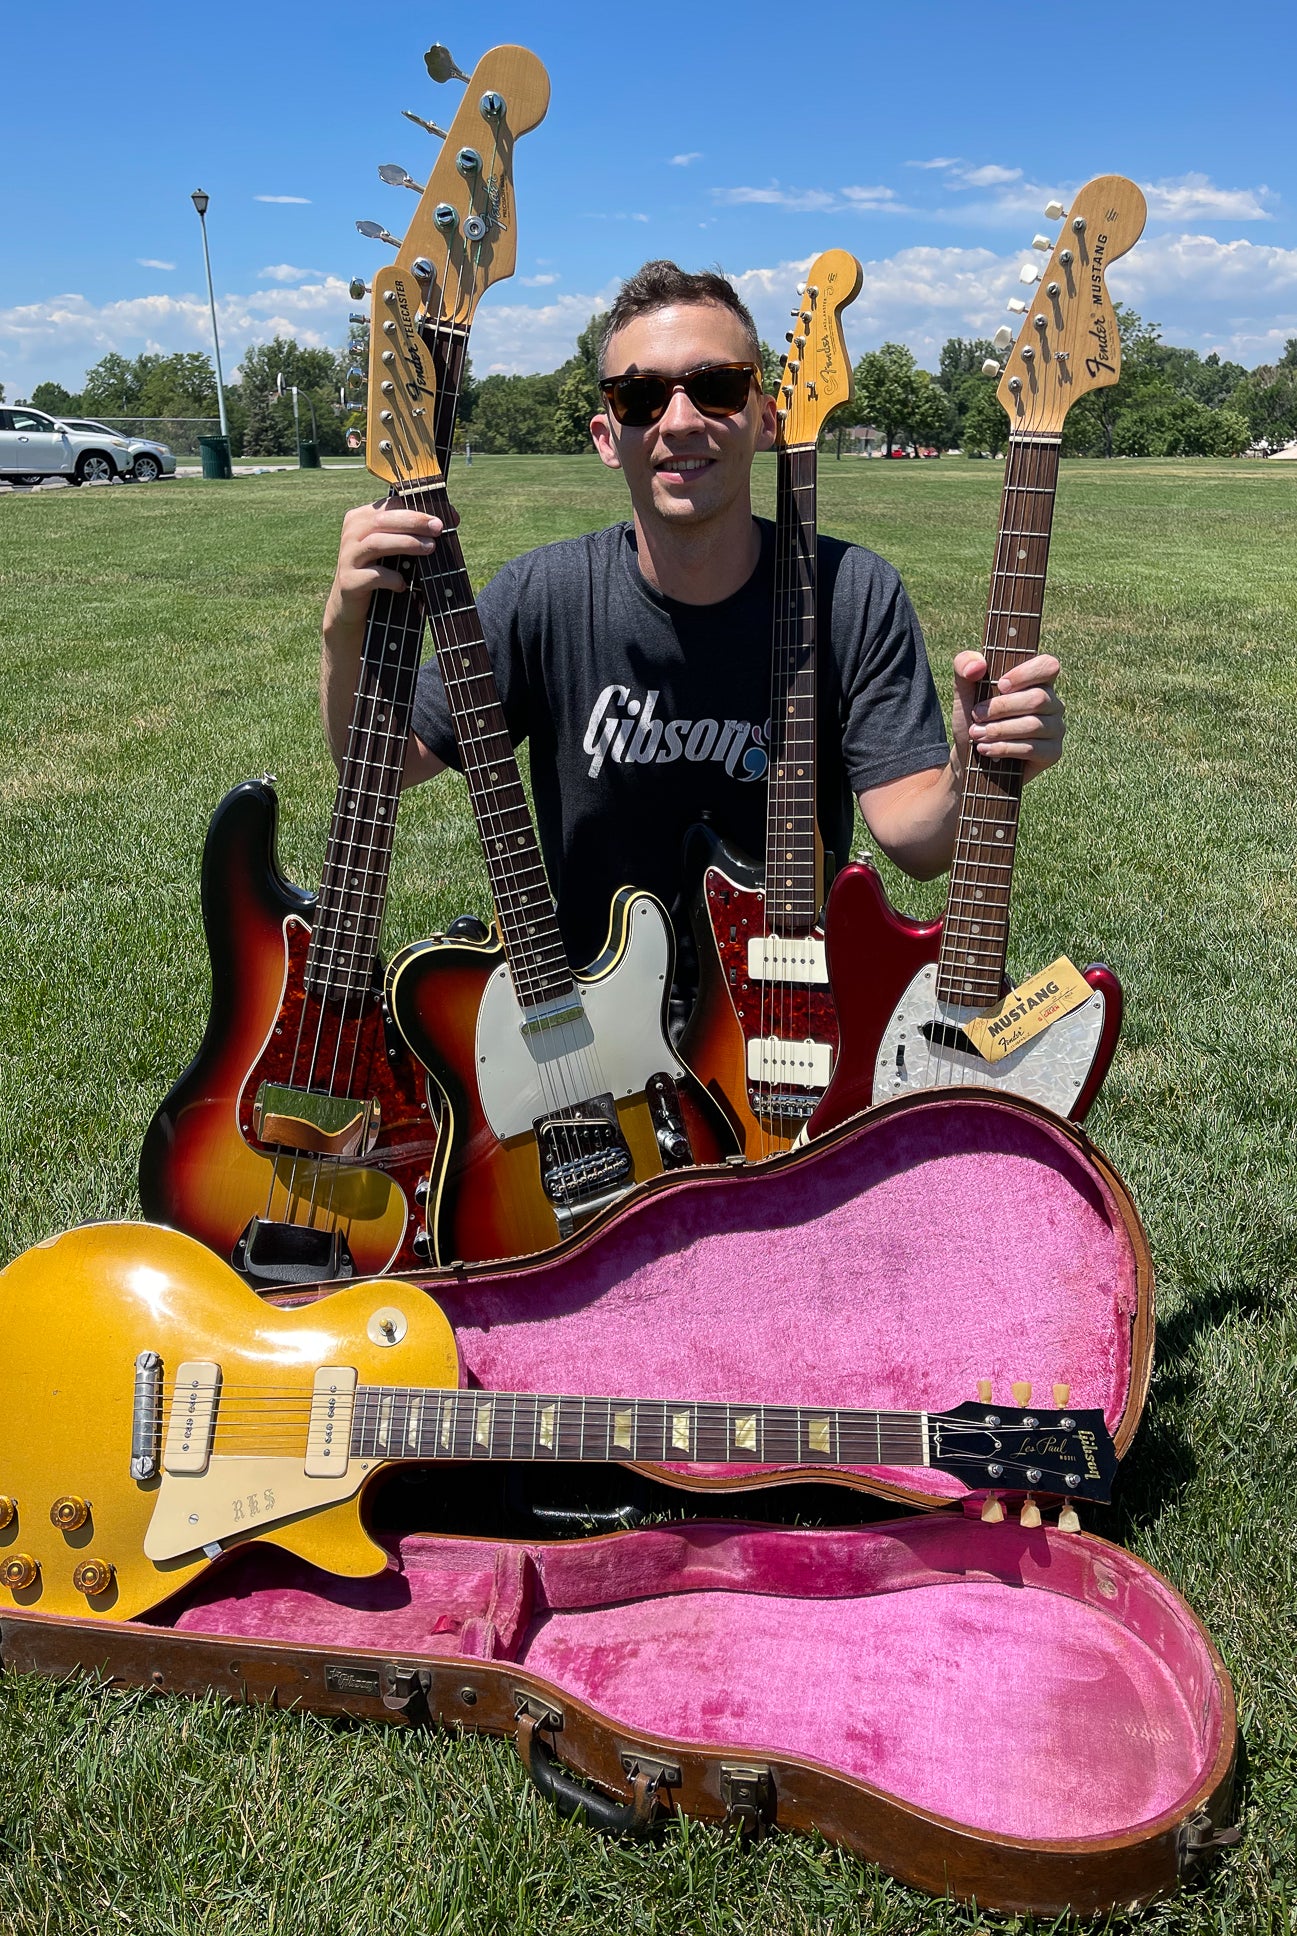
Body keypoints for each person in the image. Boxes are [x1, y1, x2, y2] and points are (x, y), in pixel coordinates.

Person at [321, 261, 1065, 997]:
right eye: (640, 396)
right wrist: (343, 626)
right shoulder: (542, 595)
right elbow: (378, 760)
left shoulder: (852, 593)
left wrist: (976, 762)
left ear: (764, 417)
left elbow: (917, 842)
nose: (680, 421)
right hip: (590, 1032)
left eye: (716, 387)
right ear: (607, 436)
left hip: (786, 1018)